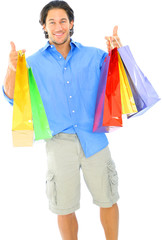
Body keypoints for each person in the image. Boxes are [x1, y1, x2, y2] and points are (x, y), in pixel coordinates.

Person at [3, 1, 122, 239]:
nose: (58, 27)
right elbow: (12, 97)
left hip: (94, 139)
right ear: (44, 27)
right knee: (64, 207)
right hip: (58, 143)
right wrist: (12, 69)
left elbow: (116, 85)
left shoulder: (93, 55)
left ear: (71, 23)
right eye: (52, 22)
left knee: (108, 199)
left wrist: (117, 53)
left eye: (63, 21)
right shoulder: (32, 63)